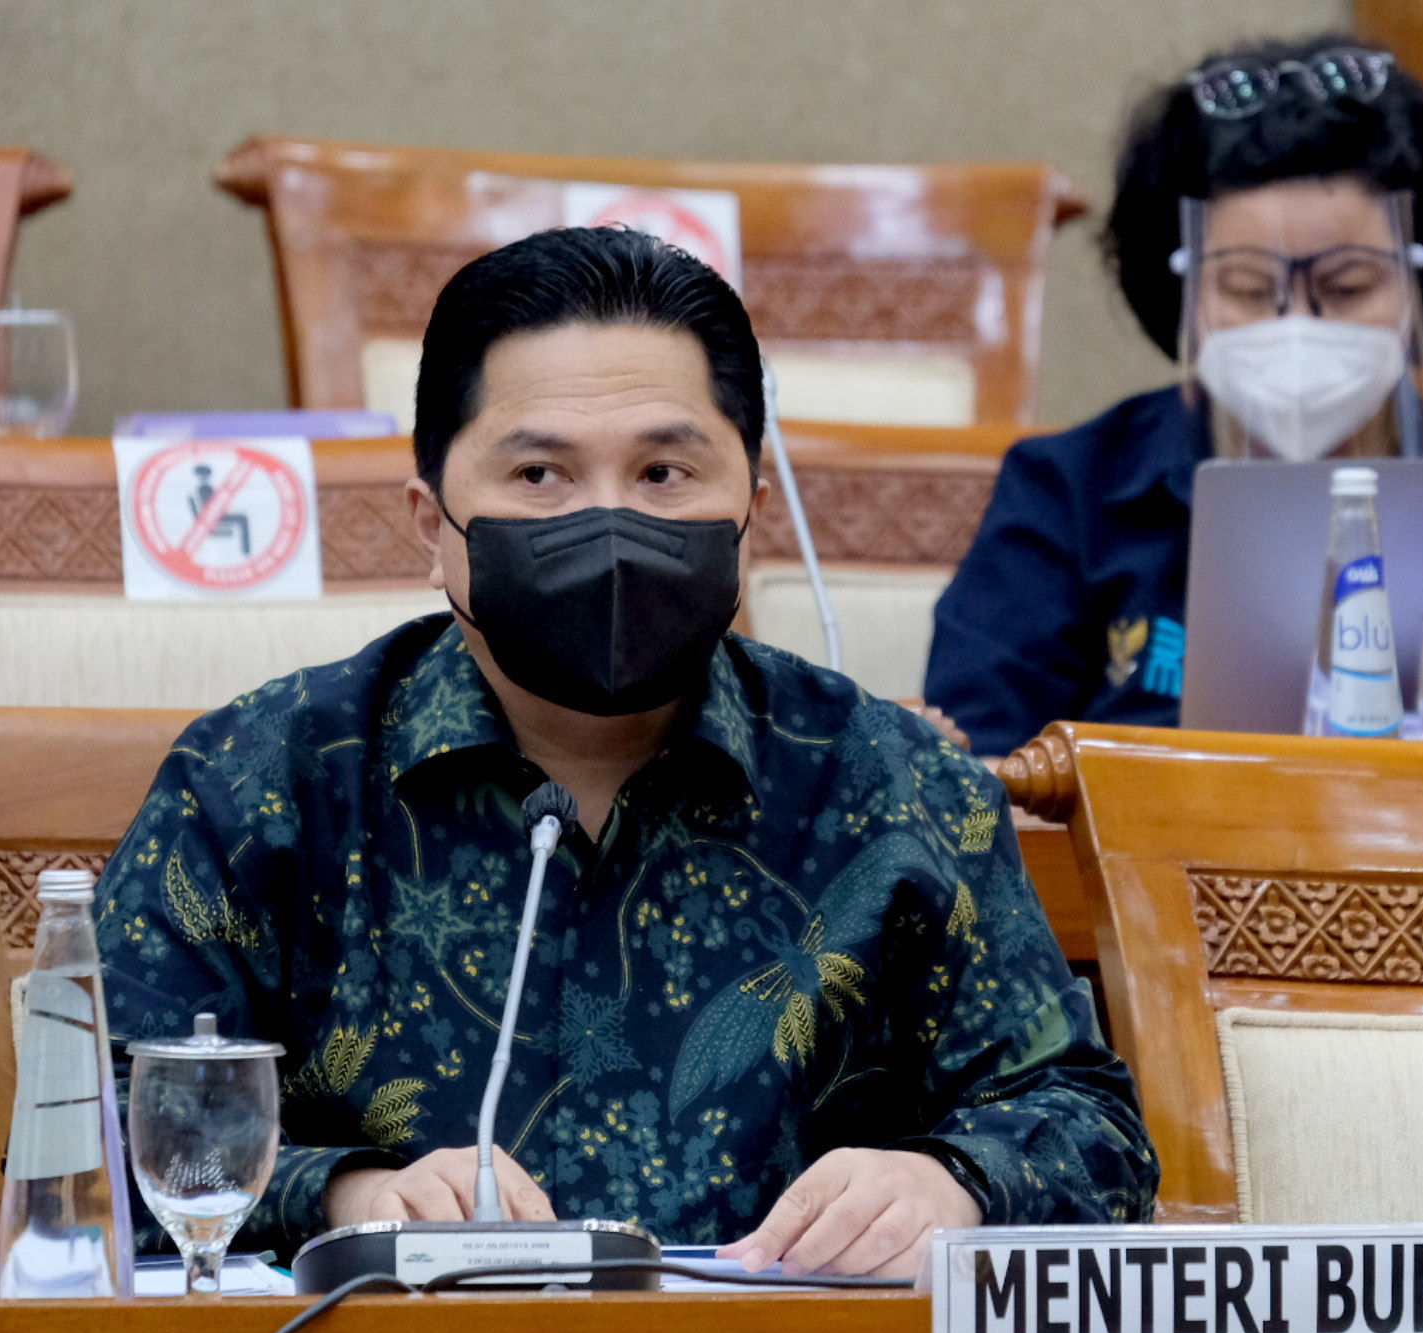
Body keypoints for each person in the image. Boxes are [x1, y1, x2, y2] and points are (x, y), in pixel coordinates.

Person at [96, 226, 1158, 1277]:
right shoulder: (262, 781)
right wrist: (345, 1194)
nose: (607, 523)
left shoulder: (895, 785)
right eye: (540, 476)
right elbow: (89, 1143)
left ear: (750, 509)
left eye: (662, 472)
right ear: (431, 526)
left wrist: (952, 1182)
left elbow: (1089, 1126)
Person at [926, 35, 1423, 756]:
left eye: (1347, 287)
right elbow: (962, 784)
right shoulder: (1071, 494)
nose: (1296, 325)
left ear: (1420, 283)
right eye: (1247, 288)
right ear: (1186, 289)